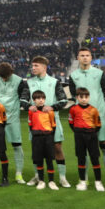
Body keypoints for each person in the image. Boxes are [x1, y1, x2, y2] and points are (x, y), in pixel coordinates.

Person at [69, 47, 105, 189]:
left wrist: (97, 103)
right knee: (82, 151)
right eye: (82, 55)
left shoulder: (99, 73)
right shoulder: (73, 76)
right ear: (78, 58)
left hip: (100, 116)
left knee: (104, 146)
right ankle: (83, 179)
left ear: (91, 58)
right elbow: (73, 94)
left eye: (87, 55)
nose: (85, 58)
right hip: (81, 119)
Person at [21, 56, 70, 188]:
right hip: (36, 122)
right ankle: (38, 176)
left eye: (36, 65)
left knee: (58, 148)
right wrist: (28, 107)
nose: (33, 68)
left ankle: (62, 177)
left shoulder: (54, 82)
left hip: (52, 121)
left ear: (44, 67)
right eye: (33, 65)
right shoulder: (28, 82)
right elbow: (23, 100)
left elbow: (64, 100)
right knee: (36, 150)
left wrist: (52, 107)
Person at [0, 61, 29, 184]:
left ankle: (19, 174)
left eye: (6, 77)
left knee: (17, 145)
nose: (3, 79)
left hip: (12, 117)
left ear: (11, 74)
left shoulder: (19, 81)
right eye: (1, 77)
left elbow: (23, 97)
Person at [69, 87, 105, 191]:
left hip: (91, 135)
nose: (84, 99)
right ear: (77, 97)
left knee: (95, 158)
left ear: (89, 97)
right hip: (79, 136)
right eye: (81, 97)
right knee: (81, 158)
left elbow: (98, 124)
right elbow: (71, 123)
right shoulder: (73, 109)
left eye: (86, 97)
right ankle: (82, 182)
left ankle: (98, 182)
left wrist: (90, 132)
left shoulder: (93, 110)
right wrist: (78, 131)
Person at [29, 91, 58, 190]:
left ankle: (51, 181)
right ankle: (41, 181)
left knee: (49, 160)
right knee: (39, 160)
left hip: (48, 138)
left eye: (42, 98)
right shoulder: (32, 111)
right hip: (37, 138)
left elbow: (53, 125)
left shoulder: (49, 111)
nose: (40, 100)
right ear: (34, 100)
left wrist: (49, 137)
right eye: (38, 98)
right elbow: (30, 125)